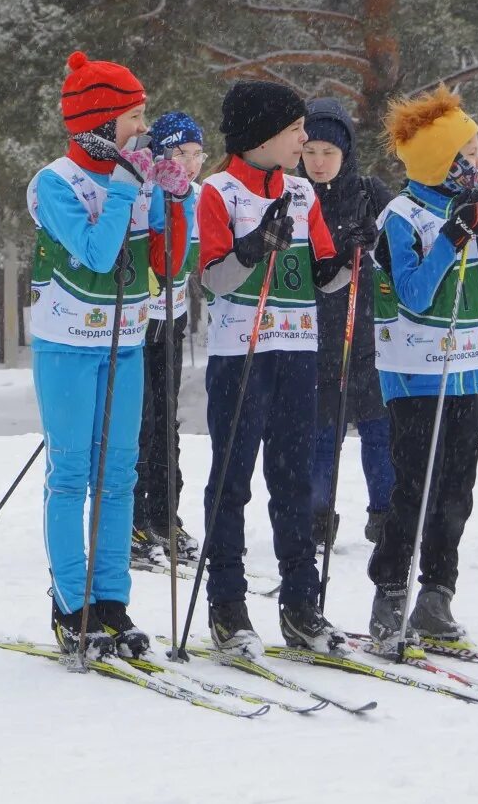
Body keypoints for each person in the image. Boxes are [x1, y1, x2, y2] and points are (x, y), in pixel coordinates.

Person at [196, 81, 371, 656]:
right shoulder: (217, 192)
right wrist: (252, 249)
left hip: (298, 352)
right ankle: (228, 606)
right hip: (240, 356)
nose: (305, 138)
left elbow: (323, 275)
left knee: (294, 482)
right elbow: (213, 278)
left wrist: (350, 253)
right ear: (263, 135)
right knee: (233, 481)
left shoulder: (300, 191)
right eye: (296, 129)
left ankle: (301, 606)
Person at [27, 51, 190, 658]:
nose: (143, 130)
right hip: (67, 345)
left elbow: (170, 266)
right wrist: (128, 186)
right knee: (71, 475)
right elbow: (96, 253)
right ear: (99, 123)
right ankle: (72, 606)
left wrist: (178, 200)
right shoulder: (54, 182)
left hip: (124, 344)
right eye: (134, 117)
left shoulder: (140, 175)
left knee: (120, 477)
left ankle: (113, 605)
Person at [366, 84, 478, 648]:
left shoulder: (465, 212)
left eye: (477, 151)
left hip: (463, 372)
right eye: (470, 152)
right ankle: (389, 594)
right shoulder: (402, 217)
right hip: (412, 375)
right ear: (442, 160)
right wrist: (454, 237)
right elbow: (413, 293)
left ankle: (437, 596)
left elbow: (477, 293)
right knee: (414, 488)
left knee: (457, 489)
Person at [298, 98, 393, 547]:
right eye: (310, 150)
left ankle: (385, 511)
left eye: (328, 153)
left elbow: (399, 248)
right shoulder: (291, 195)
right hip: (314, 332)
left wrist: (375, 238)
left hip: (368, 329)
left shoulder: (370, 191)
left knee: (378, 427)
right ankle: (317, 513)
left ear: (346, 153)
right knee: (322, 433)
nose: (318, 162)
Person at [131, 111, 204, 565]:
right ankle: (133, 519)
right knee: (141, 422)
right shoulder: (146, 190)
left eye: (197, 154)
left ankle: (164, 515)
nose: (191, 164)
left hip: (171, 320)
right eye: (181, 153)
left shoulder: (193, 193)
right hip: (136, 322)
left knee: (167, 421)